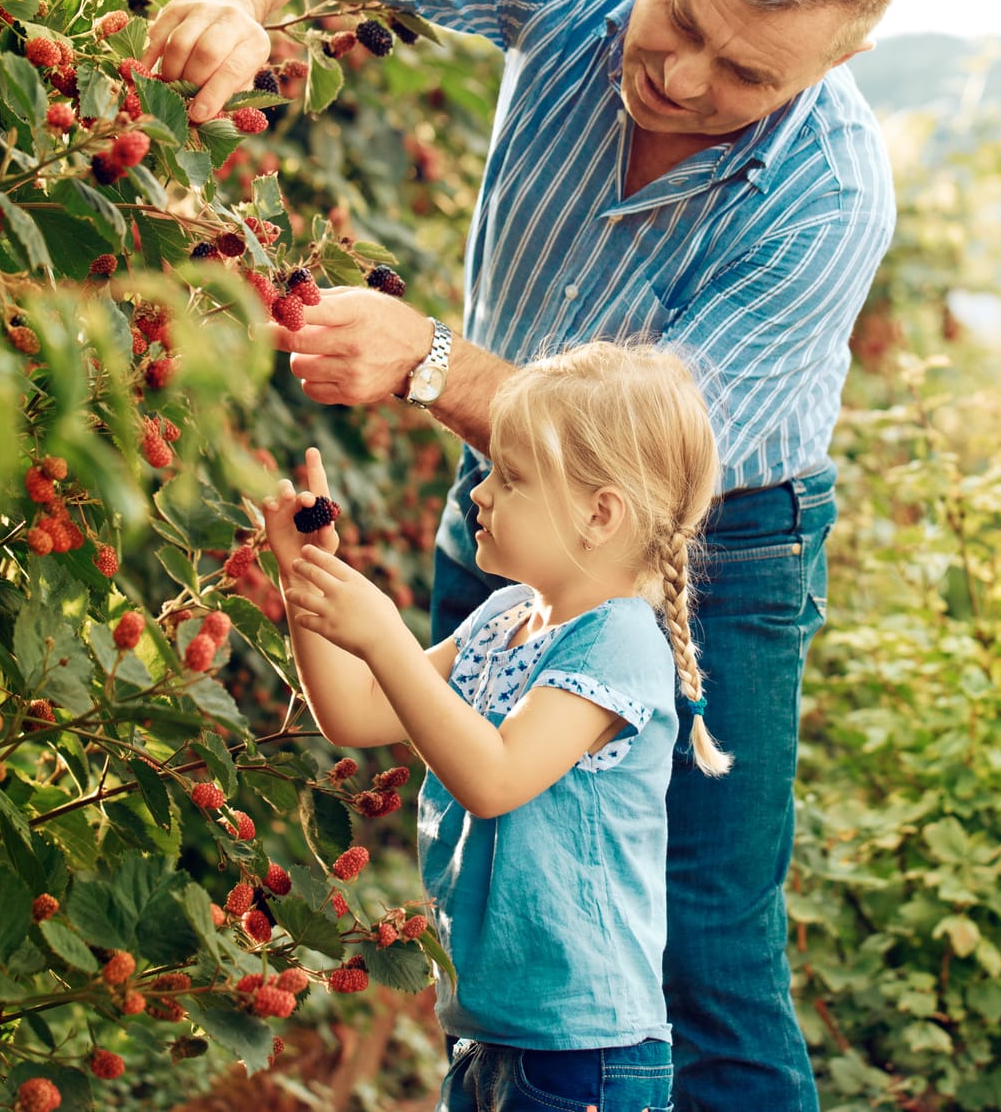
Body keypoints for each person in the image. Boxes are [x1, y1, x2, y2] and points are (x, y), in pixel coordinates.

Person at [149, 0, 905, 1109]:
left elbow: (642, 460)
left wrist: (433, 366)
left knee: (705, 957)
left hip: (714, 540)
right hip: (509, 508)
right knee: (497, 895)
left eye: (746, 72)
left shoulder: (825, 199)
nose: (678, 74)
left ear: (836, 65)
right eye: (677, 17)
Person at [261, 342, 723, 1112]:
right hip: (489, 1030)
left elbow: (494, 778)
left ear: (599, 513)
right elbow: (352, 710)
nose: (479, 492)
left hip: (585, 1051)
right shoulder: (501, 618)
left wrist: (382, 633)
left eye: (511, 477)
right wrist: (304, 578)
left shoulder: (618, 641)